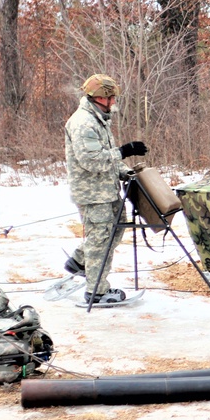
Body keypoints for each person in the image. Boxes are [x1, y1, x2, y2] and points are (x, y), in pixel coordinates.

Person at [64, 74, 148, 304]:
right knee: (100, 239)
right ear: (96, 97)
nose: (113, 103)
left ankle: (80, 260)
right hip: (93, 194)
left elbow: (108, 159)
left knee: (113, 232)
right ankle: (96, 291)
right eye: (109, 98)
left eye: (112, 98)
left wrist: (126, 171)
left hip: (108, 191)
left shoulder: (99, 119)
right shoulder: (84, 123)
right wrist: (124, 151)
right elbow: (92, 161)